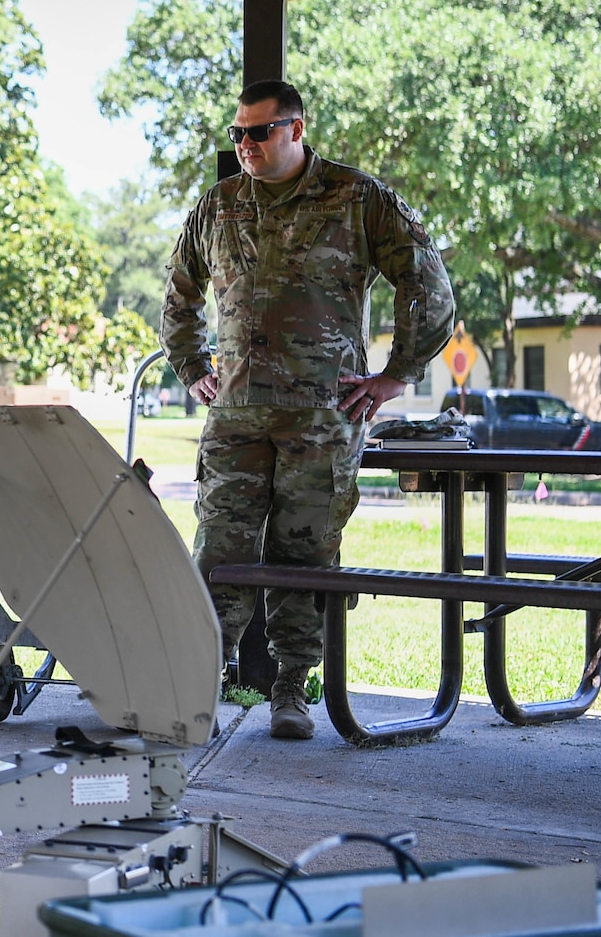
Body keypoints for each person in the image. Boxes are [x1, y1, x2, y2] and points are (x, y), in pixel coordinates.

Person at [162, 79, 454, 740]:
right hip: (235, 418)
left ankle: (292, 685)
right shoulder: (219, 204)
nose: (244, 145)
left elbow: (428, 284)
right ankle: (205, 676)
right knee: (220, 551)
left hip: (322, 420)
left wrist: (395, 376)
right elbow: (179, 294)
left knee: (305, 553)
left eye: (258, 132)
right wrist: (191, 367)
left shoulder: (357, 199)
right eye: (237, 133)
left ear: (295, 129)